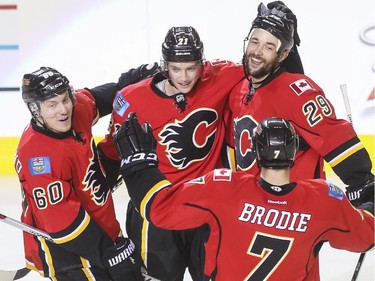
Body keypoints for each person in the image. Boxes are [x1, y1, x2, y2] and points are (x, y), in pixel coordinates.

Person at [113, 113, 375, 281]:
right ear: (294, 153)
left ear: (255, 152)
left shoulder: (224, 187)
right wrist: (369, 201)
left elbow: (158, 208)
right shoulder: (323, 200)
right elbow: (367, 236)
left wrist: (140, 166)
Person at [97, 26, 245, 280]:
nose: (184, 77)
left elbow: (269, 71)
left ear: (202, 63)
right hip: (156, 213)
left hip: (206, 209)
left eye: (191, 68)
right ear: (164, 66)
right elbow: (111, 153)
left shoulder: (223, 76)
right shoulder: (132, 100)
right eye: (176, 68)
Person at [14, 64, 158, 280]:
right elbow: (63, 224)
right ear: (35, 109)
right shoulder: (38, 157)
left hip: (101, 228)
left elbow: (95, 98)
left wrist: (124, 85)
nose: (63, 110)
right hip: (68, 250)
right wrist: (109, 253)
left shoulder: (74, 109)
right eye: (52, 105)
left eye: (64, 99)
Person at [228, 2, 374, 212]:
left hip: (297, 214)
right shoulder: (238, 88)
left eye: (269, 46)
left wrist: (362, 183)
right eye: (255, 41)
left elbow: (334, 135)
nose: (257, 52)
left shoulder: (299, 92)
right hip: (253, 210)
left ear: (284, 55)